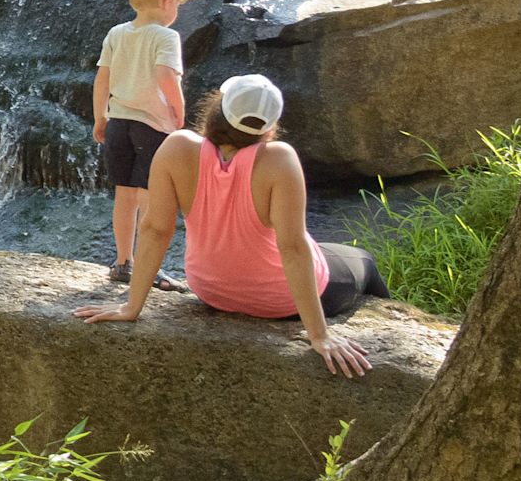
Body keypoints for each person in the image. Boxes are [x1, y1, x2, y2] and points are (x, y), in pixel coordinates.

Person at [75, 73, 379, 378]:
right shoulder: (279, 159)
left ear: (217, 110)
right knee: (363, 260)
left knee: (324, 250)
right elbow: (292, 247)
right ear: (270, 126)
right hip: (279, 300)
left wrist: (131, 307)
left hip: (211, 290)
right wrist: (319, 336)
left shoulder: (176, 147)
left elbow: (155, 229)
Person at [89, 0, 191, 288]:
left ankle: (122, 262)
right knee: (151, 197)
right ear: (166, 1)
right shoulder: (166, 36)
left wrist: (99, 116)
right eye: (177, 1)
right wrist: (179, 112)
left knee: (125, 194)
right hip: (153, 125)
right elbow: (165, 77)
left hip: (118, 121)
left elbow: (101, 78)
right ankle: (151, 269)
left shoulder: (116, 33)